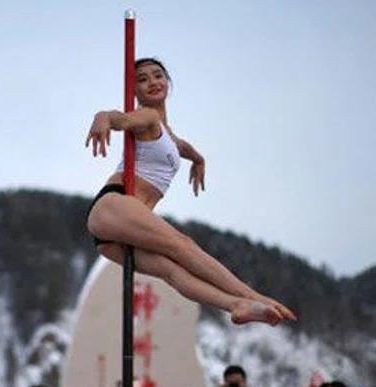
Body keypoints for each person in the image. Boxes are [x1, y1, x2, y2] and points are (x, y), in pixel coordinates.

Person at [84, 58, 295, 327]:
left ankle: (236, 305)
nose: (152, 82)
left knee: (171, 270)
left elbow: (184, 148)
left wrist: (198, 160)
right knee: (182, 245)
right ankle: (253, 296)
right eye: (143, 79)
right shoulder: (146, 117)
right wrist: (102, 117)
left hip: (110, 235)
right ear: (134, 91)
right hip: (115, 204)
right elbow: (121, 119)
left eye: (157, 76)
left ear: (167, 83)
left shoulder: (167, 134)